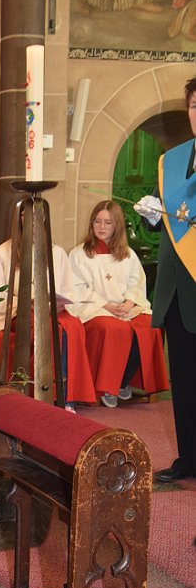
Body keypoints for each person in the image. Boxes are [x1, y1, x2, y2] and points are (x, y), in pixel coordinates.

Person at [135, 76, 196, 483]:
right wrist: (151, 217)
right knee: (184, 380)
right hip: (177, 287)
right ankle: (188, 458)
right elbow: (167, 225)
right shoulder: (172, 160)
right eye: (194, 106)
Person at [68, 200, 169, 407]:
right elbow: (77, 288)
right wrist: (106, 305)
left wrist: (130, 301)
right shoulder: (79, 254)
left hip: (124, 308)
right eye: (97, 222)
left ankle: (122, 381)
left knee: (150, 327)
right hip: (94, 310)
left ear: (117, 226)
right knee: (114, 329)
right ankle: (107, 387)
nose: (101, 227)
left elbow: (136, 282)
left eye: (108, 223)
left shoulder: (127, 254)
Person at [0, 234, 96, 411]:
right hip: (19, 313)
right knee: (50, 329)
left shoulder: (56, 252)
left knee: (73, 326)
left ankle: (67, 397)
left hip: (51, 311)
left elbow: (69, 290)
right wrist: (27, 303)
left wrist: (58, 303)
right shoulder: (3, 252)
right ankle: (51, 396)